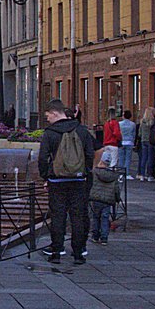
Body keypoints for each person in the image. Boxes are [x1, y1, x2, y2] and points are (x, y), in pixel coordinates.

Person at [38, 98, 96, 266]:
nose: (47, 118)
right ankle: (78, 253)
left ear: (55, 113)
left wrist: (46, 176)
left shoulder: (50, 133)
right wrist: (85, 171)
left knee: (58, 216)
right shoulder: (81, 130)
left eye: (48, 115)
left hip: (57, 181)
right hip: (78, 180)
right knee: (78, 216)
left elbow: (43, 157)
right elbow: (90, 153)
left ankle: (56, 252)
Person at [89, 146, 121, 245]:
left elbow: (90, 185)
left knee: (95, 217)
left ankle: (95, 235)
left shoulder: (94, 173)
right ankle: (104, 238)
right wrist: (117, 198)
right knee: (105, 217)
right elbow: (116, 189)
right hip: (107, 200)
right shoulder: (113, 175)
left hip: (96, 198)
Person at [136, 109, 155, 180]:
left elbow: (139, 133)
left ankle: (142, 175)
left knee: (143, 158)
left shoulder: (142, 122)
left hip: (143, 140)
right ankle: (149, 175)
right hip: (150, 141)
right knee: (150, 158)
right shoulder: (152, 122)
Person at [117, 110, 137, 177]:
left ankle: (120, 173)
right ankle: (127, 173)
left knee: (121, 158)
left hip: (121, 142)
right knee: (128, 159)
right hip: (129, 142)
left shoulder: (119, 124)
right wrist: (133, 142)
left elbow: (118, 133)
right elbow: (134, 134)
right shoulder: (133, 124)